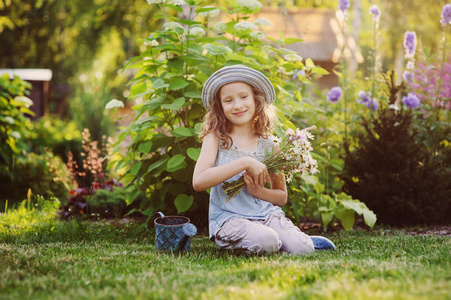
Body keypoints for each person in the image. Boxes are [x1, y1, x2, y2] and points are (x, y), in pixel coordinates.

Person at [192, 64, 335, 254]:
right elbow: (199, 182)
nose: (237, 105)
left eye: (244, 97)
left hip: (267, 216)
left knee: (304, 249)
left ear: (256, 100)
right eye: (228, 100)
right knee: (267, 241)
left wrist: (257, 191)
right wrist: (244, 162)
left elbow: (281, 197)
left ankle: (295, 241)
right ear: (220, 107)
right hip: (230, 219)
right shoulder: (216, 138)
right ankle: (275, 242)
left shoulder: (269, 145)